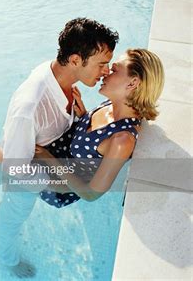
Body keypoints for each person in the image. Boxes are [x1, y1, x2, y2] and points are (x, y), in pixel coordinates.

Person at [0, 17, 119, 278]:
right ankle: (8, 261)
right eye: (102, 64)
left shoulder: (63, 79)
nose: (106, 72)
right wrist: (61, 181)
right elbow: (18, 171)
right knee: (10, 221)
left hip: (33, 154)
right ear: (76, 60)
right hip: (26, 175)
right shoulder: (30, 108)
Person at [35, 48, 165, 207]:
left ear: (133, 83)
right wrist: (84, 116)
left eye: (114, 70)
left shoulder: (122, 140)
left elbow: (90, 194)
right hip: (57, 153)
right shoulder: (112, 105)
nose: (105, 72)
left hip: (59, 183)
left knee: (6, 169)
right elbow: (96, 140)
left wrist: (49, 159)